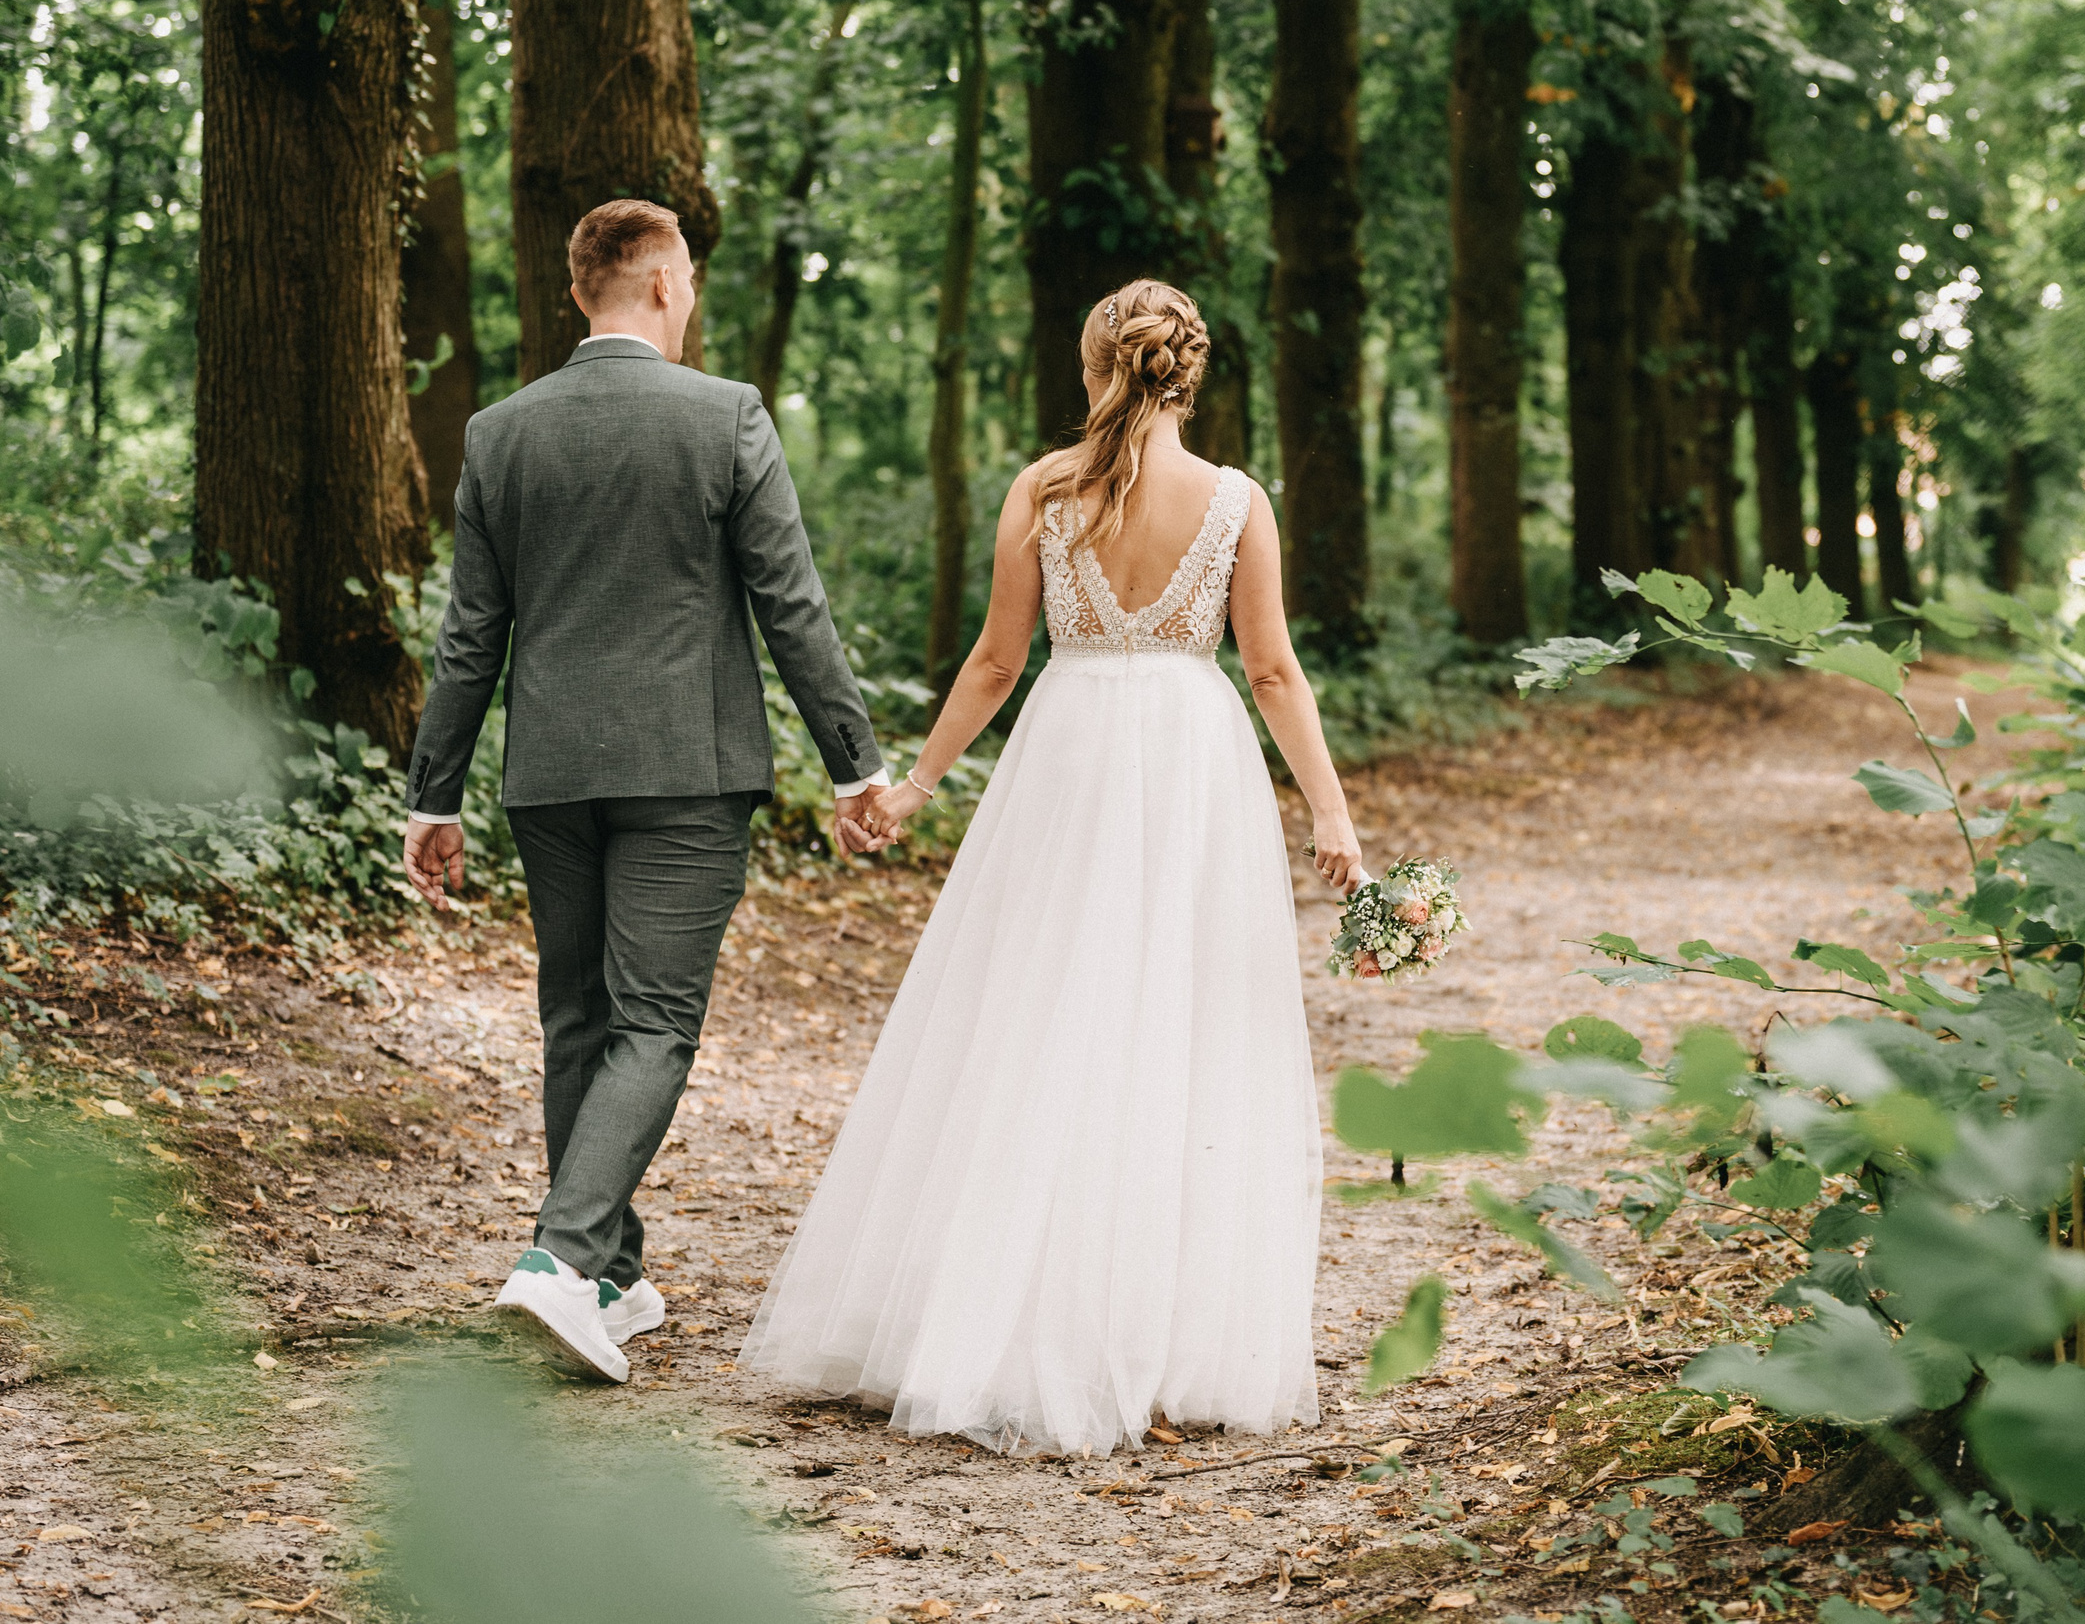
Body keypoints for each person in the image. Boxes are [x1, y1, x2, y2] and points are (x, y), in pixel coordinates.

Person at [739, 278, 1363, 1455]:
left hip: (1067, 749)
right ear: (1190, 372)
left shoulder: (1043, 487)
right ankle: (1164, 1338)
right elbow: (1273, 674)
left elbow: (994, 659)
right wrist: (1331, 815)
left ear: (1093, 368)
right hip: (1191, 760)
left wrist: (915, 785)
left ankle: (997, 1314)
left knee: (1036, 1008)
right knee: (1178, 1028)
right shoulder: (1237, 501)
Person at [400, 199, 897, 1384]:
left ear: (583, 293)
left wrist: (435, 795)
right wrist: (856, 764)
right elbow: (792, 604)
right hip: (687, 771)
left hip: (552, 776)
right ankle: (559, 1263)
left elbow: (472, 635)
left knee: (578, 1018)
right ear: (668, 285)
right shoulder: (725, 417)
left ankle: (612, 1280)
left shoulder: (498, 434)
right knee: (655, 1024)